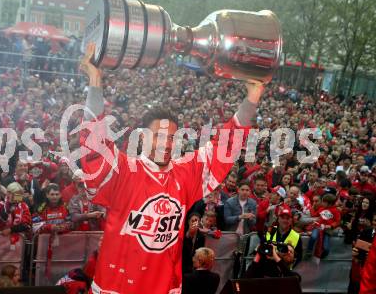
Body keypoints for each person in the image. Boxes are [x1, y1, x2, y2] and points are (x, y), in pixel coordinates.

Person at [80, 42, 263, 293]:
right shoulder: (122, 170)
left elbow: (226, 144)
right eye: (158, 135)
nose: (166, 143)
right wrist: (95, 79)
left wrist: (252, 97)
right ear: (142, 137)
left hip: (166, 287)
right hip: (116, 287)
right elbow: (94, 142)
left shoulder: (185, 172)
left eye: (171, 137)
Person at [0, 182, 32, 249]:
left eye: (20, 195)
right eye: (16, 194)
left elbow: (27, 225)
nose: (19, 197)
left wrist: (11, 230)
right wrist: (9, 205)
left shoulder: (23, 205)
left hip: (19, 243)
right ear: (8, 193)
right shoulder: (1, 204)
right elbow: (3, 218)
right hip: (2, 241)